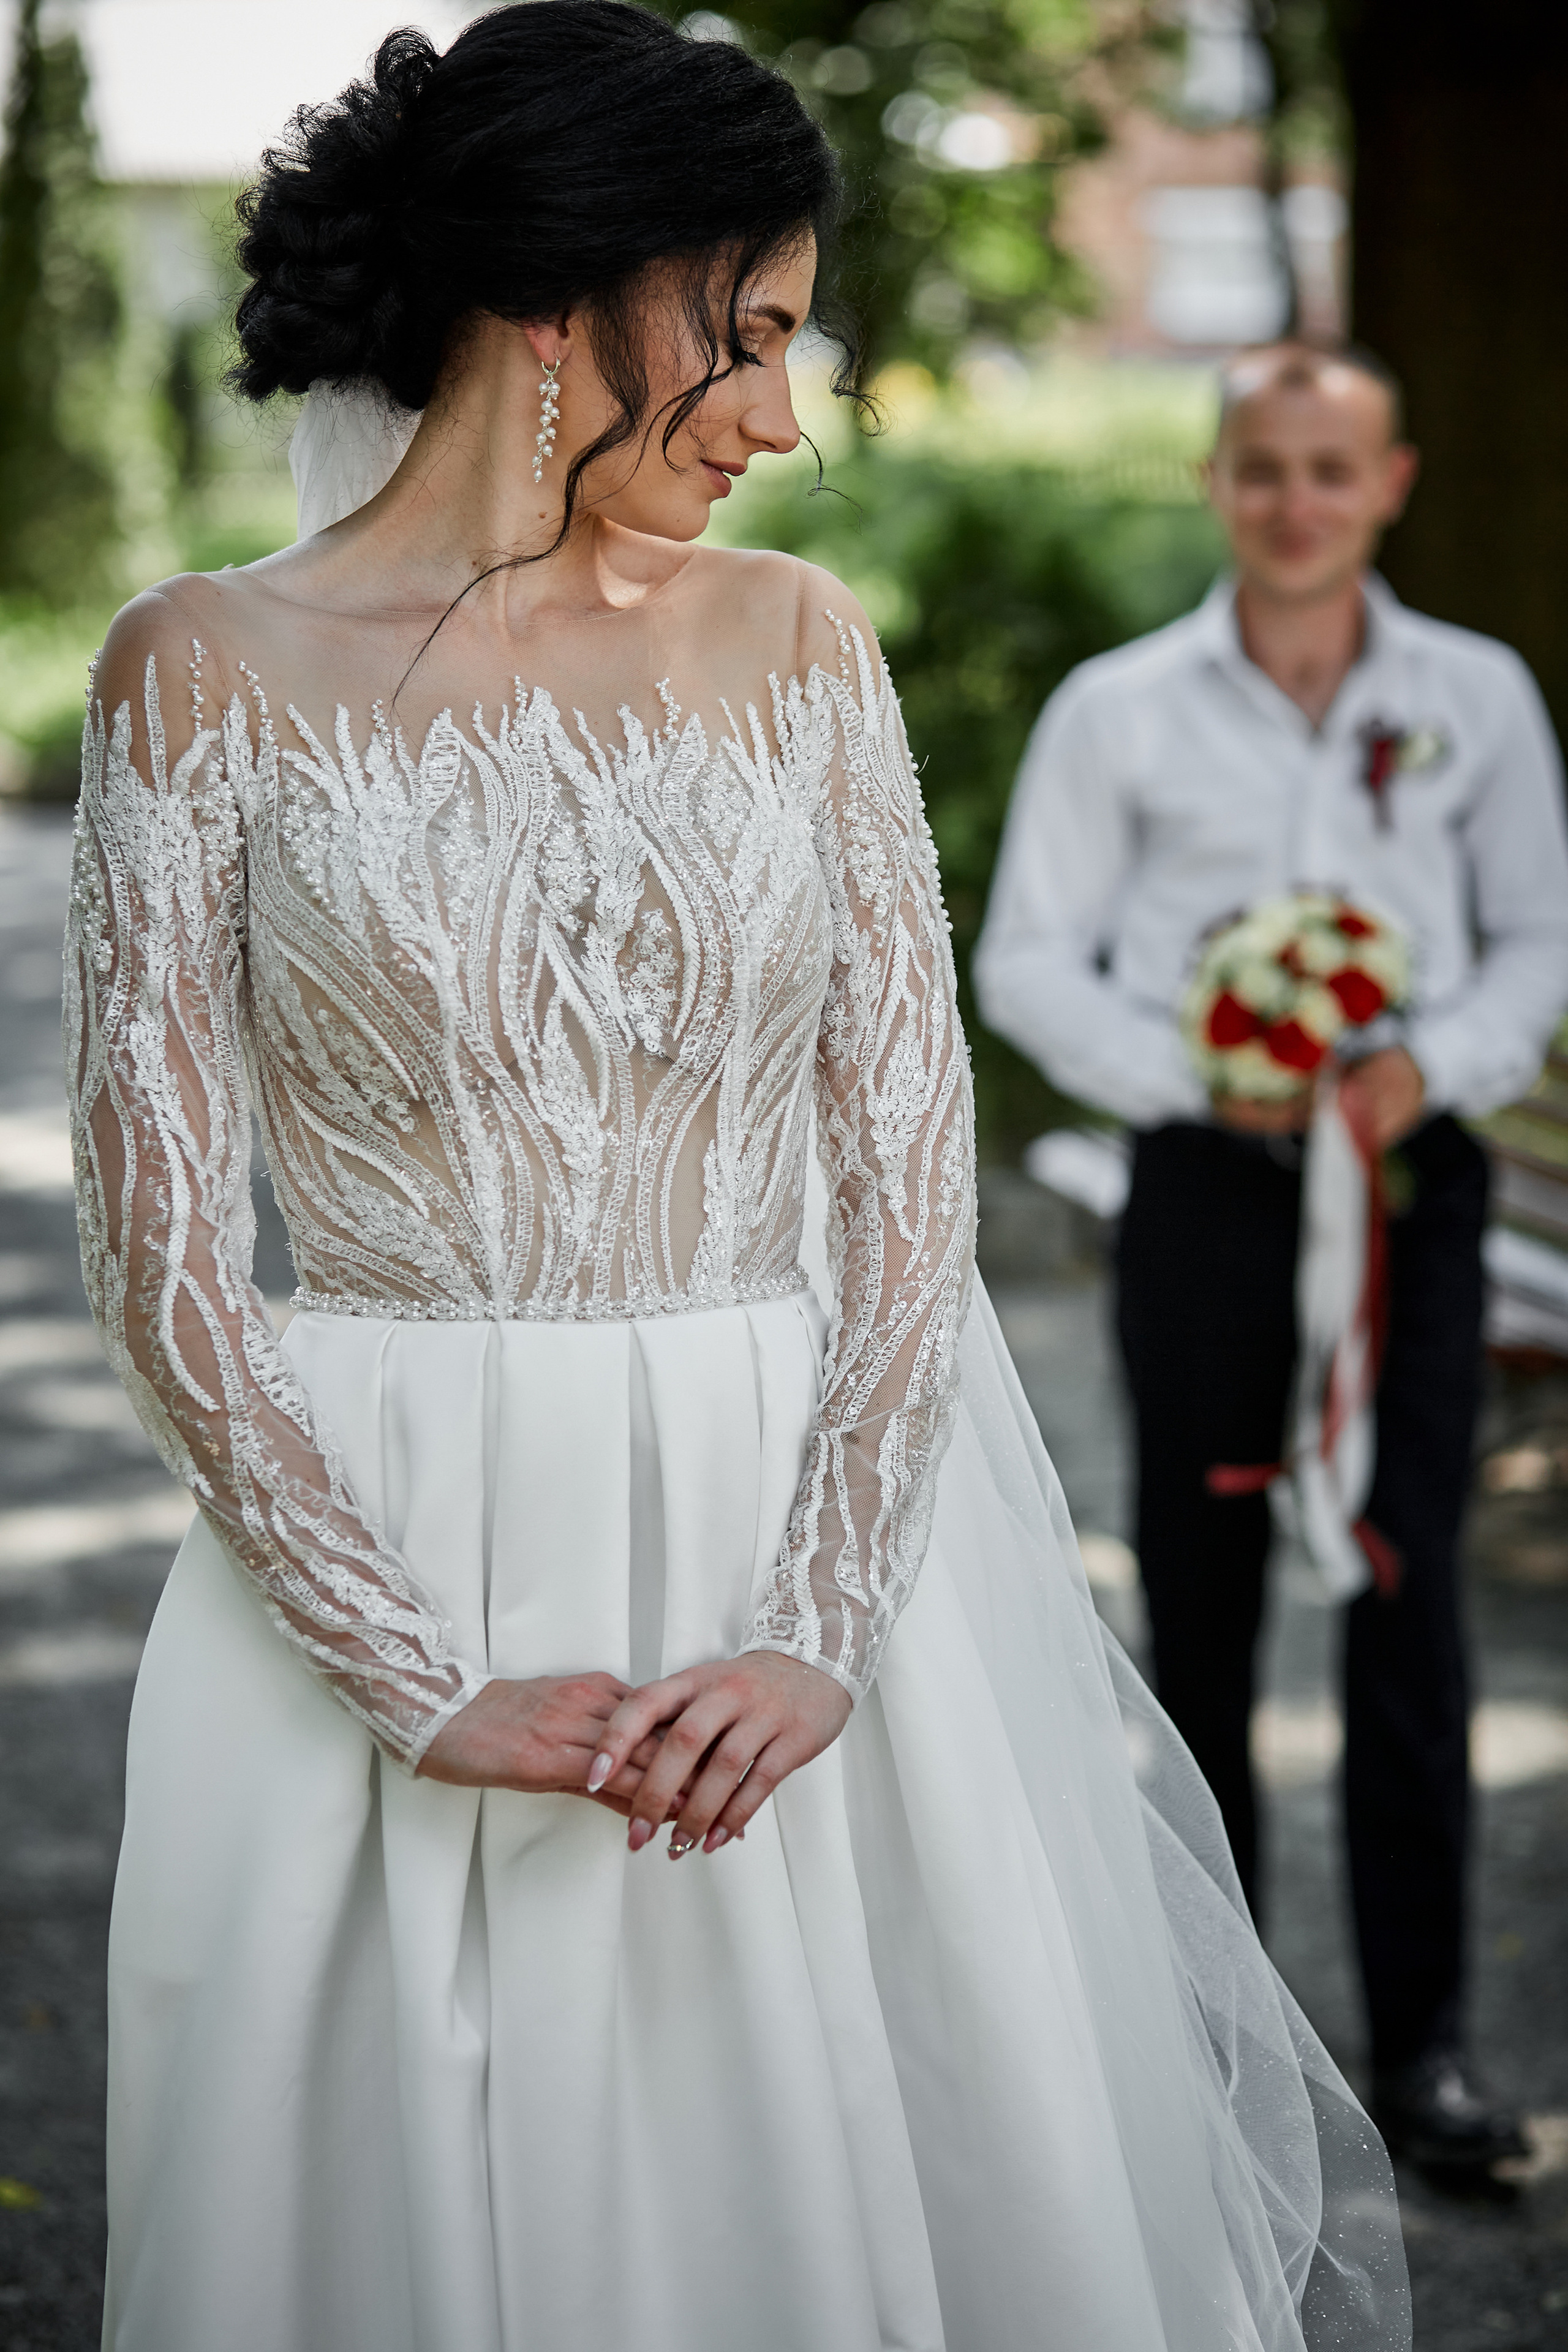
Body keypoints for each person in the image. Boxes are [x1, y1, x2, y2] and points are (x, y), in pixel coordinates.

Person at [67, 20, 1412, 2346]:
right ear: (565, 299)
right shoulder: (196, 671)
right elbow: (160, 1239)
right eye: (757, 333)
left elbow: (909, 1170)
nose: (786, 418)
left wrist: (812, 1626)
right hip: (368, 1534)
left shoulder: (800, 649)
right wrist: (406, 1677)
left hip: (797, 1538)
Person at [976, 341, 1568, 2174]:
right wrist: (1206, 1077)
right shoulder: (1120, 709)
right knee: (1201, 1603)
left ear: (1390, 482)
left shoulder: (1475, 694)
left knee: (1408, 1610)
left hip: (1413, 1198)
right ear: (1217, 482)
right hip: (1208, 1201)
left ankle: (1429, 2056)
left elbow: (1539, 944)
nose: (1295, 500)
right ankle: (1220, 2068)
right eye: (1261, 467)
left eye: (1332, 468)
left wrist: (1424, 1072)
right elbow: (1028, 961)